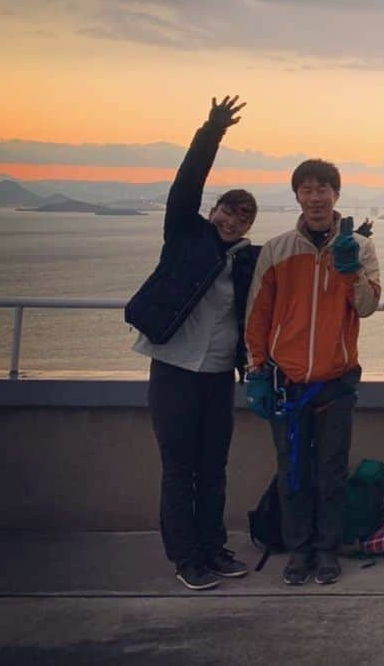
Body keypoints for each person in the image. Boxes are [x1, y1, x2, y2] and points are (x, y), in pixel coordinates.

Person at [126, 96, 259, 591]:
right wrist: (212, 132)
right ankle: (186, 558)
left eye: (243, 217)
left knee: (214, 468)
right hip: (174, 369)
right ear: (213, 210)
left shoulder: (247, 260)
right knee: (180, 467)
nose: (233, 221)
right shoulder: (186, 235)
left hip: (219, 373)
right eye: (228, 210)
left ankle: (212, 547)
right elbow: (186, 185)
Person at [244, 158, 381, 587]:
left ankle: (327, 549)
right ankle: (298, 550)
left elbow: (367, 306)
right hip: (286, 381)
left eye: (324, 189)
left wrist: (348, 272)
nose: (316, 197)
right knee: (293, 472)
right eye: (307, 190)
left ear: (336, 194)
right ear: (297, 197)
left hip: (336, 379)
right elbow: (257, 316)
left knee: (331, 470)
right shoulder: (277, 250)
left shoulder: (359, 247)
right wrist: (258, 371)